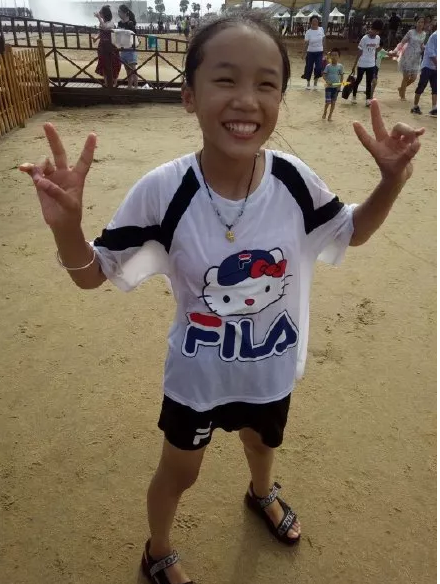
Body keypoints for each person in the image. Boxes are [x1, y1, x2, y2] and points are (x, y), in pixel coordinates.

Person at [19, 13, 424, 584]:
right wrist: (67, 230)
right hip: (198, 378)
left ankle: (261, 493)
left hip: (269, 369)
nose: (246, 100)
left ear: (280, 99)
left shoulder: (293, 179)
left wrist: (391, 182)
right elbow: (94, 274)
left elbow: (349, 231)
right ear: (189, 95)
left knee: (262, 445)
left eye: (266, 84)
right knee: (179, 473)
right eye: (225, 79)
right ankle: (158, 550)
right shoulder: (164, 191)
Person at [392, 16, 426, 101]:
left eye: (422, 22)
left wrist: (424, 48)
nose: (420, 24)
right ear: (415, 23)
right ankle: (402, 96)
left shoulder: (424, 34)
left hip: (417, 58)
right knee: (406, 77)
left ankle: (401, 88)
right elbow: (402, 42)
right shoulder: (411, 32)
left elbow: (421, 44)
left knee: (413, 78)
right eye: (419, 22)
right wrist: (395, 50)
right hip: (407, 56)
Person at [351, 19, 383, 107]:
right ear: (371, 28)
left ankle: (368, 99)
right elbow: (359, 52)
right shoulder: (364, 38)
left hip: (371, 64)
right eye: (375, 30)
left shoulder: (378, 38)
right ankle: (354, 96)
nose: (376, 33)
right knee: (358, 80)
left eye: (377, 31)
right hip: (362, 63)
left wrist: (375, 62)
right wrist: (354, 65)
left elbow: (375, 50)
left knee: (369, 82)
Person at [93, 5, 121, 88]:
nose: (100, 14)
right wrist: (96, 38)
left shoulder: (111, 23)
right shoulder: (103, 22)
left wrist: (99, 18)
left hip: (111, 47)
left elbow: (105, 28)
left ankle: (114, 83)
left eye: (101, 12)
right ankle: (106, 83)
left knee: (114, 64)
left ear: (105, 14)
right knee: (104, 65)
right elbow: (101, 32)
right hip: (102, 46)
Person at [411, 29, 437, 116]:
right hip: (427, 66)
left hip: (435, 67)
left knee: (436, 87)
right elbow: (431, 53)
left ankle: (434, 108)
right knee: (421, 85)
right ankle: (415, 106)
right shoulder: (435, 36)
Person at [117, 4, 138, 89]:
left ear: (125, 13)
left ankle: (136, 87)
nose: (118, 13)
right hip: (123, 48)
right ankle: (129, 86)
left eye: (119, 11)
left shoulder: (130, 23)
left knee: (133, 69)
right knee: (127, 69)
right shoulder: (119, 23)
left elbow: (134, 35)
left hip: (130, 48)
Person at [302, 15, 325, 90]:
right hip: (310, 52)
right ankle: (308, 83)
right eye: (313, 21)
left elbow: (323, 40)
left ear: (318, 22)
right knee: (309, 67)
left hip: (319, 52)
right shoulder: (308, 32)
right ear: (311, 22)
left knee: (318, 67)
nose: (315, 22)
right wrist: (303, 53)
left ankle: (315, 82)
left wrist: (324, 51)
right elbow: (306, 43)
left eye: (316, 21)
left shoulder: (321, 29)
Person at [322, 48, 344, 121]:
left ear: (339, 56)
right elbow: (324, 75)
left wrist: (339, 86)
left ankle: (330, 115)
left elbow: (342, 76)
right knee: (328, 102)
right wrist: (327, 81)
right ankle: (325, 112)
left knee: (333, 102)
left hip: (336, 87)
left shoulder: (340, 66)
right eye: (332, 55)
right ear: (330, 56)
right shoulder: (328, 66)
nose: (334, 57)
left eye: (336, 55)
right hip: (328, 87)